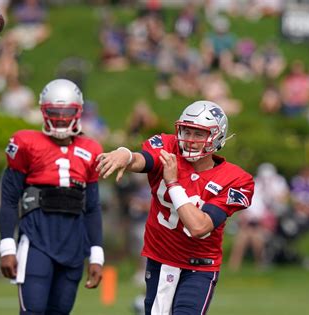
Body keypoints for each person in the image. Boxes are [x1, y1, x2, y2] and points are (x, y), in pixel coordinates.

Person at [97, 100, 254, 314]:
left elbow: (199, 227)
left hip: (199, 266)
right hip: (161, 260)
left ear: (217, 136)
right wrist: (125, 154)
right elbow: (142, 160)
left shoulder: (236, 179)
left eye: (199, 134)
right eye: (186, 131)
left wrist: (173, 184)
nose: (190, 140)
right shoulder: (168, 147)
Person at [0, 79, 104, 314]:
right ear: (44, 112)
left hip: (74, 244)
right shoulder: (25, 142)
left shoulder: (92, 149)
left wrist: (96, 253)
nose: (61, 118)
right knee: (33, 311)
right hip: (37, 240)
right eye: (54, 112)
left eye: (67, 112)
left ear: (78, 112)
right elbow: (8, 198)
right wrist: (7, 246)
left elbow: (93, 207)